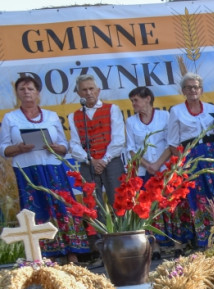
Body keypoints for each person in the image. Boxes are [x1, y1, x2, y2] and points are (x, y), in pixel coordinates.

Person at [0, 74, 86, 260]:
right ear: (17, 94)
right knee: (36, 210)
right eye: (22, 89)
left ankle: (73, 255)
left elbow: (65, 146)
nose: (27, 92)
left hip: (53, 168)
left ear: (38, 93)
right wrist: (19, 148)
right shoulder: (10, 118)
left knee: (62, 207)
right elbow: (3, 149)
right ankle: (47, 257)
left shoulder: (51, 116)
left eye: (30, 89)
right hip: (27, 170)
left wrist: (56, 147)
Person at [165, 73, 214, 248]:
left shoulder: (210, 108)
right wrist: (181, 166)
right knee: (198, 197)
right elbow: (172, 142)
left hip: (212, 153)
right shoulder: (176, 111)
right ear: (183, 90)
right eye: (189, 87)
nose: (193, 90)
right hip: (191, 157)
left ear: (201, 89)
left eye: (196, 87)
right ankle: (205, 239)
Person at [125, 86, 187, 249]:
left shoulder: (164, 116)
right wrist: (148, 165)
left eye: (136, 100)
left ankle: (177, 244)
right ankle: (156, 245)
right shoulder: (131, 122)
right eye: (132, 101)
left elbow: (170, 141)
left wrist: (158, 164)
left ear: (148, 99)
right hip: (144, 171)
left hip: (164, 168)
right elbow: (131, 149)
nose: (134, 104)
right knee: (149, 208)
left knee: (170, 204)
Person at [68, 74, 127, 225]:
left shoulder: (112, 109)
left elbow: (119, 139)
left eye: (91, 89)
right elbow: (74, 145)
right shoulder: (73, 116)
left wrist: (104, 160)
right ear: (78, 93)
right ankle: (100, 239)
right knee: (93, 203)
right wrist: (91, 161)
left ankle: (124, 235)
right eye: (84, 90)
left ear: (98, 90)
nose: (88, 93)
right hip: (89, 165)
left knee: (118, 199)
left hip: (112, 162)